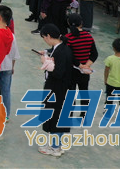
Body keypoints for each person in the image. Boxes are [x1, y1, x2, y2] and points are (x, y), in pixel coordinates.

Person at [37, 24, 73, 157]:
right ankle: (55, 145)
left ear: (48, 36)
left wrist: (46, 63)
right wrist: (46, 54)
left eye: (44, 38)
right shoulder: (62, 48)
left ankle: (54, 147)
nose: (45, 40)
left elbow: (58, 73)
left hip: (57, 89)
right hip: (62, 89)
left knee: (55, 117)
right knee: (58, 117)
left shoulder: (61, 52)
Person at [64, 13, 97, 95]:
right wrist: (86, 65)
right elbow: (94, 54)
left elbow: (69, 56)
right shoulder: (89, 36)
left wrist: (79, 65)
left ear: (68, 23)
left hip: (71, 71)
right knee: (84, 93)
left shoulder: (68, 38)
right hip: (84, 72)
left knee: (70, 95)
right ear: (81, 23)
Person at [0, 28, 21, 119]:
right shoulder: (12, 36)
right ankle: (6, 115)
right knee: (6, 92)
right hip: (8, 67)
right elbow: (14, 54)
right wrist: (12, 67)